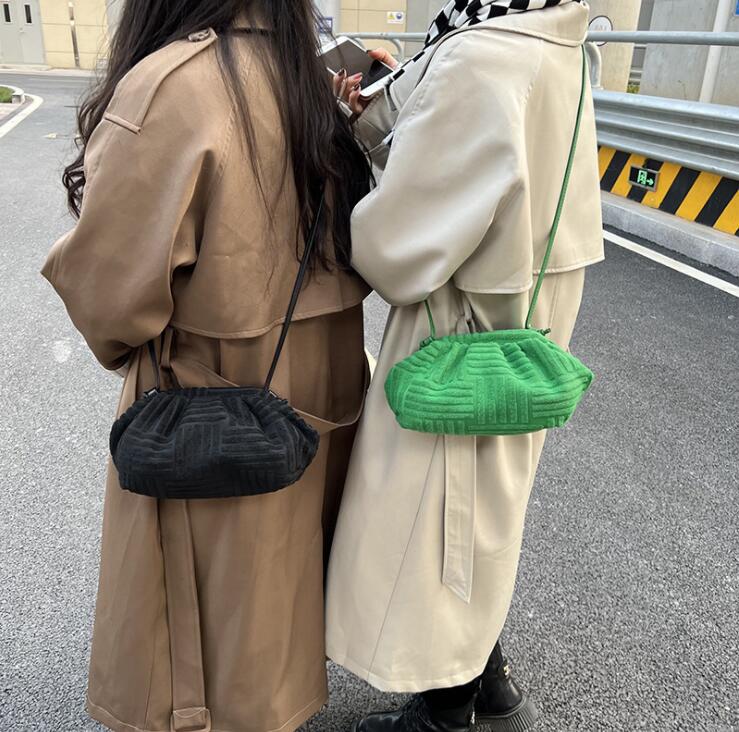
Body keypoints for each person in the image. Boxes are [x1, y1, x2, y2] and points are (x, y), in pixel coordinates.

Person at [41, 1, 372, 731]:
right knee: (274, 619)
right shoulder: (309, 77)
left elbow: (110, 300)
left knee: (201, 657)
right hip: (324, 379)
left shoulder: (172, 86)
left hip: (210, 393)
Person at [326, 1, 605, 730]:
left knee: (435, 525)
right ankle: (490, 687)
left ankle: (444, 708)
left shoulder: (478, 58)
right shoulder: (559, 41)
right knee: (481, 514)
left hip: (458, 329)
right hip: (526, 323)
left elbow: (398, 248)